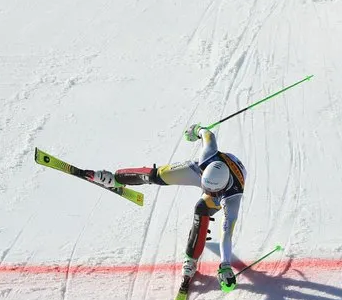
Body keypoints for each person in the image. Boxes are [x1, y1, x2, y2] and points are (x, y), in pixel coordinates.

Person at [89, 124, 247, 291]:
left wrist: (225, 264)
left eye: (210, 191)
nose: (205, 191)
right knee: (156, 176)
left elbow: (227, 233)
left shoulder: (232, 199)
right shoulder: (208, 156)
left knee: (202, 208)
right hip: (202, 172)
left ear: (220, 189)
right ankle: (115, 178)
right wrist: (196, 130)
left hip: (224, 182)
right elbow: (208, 135)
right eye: (205, 188)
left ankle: (191, 260)